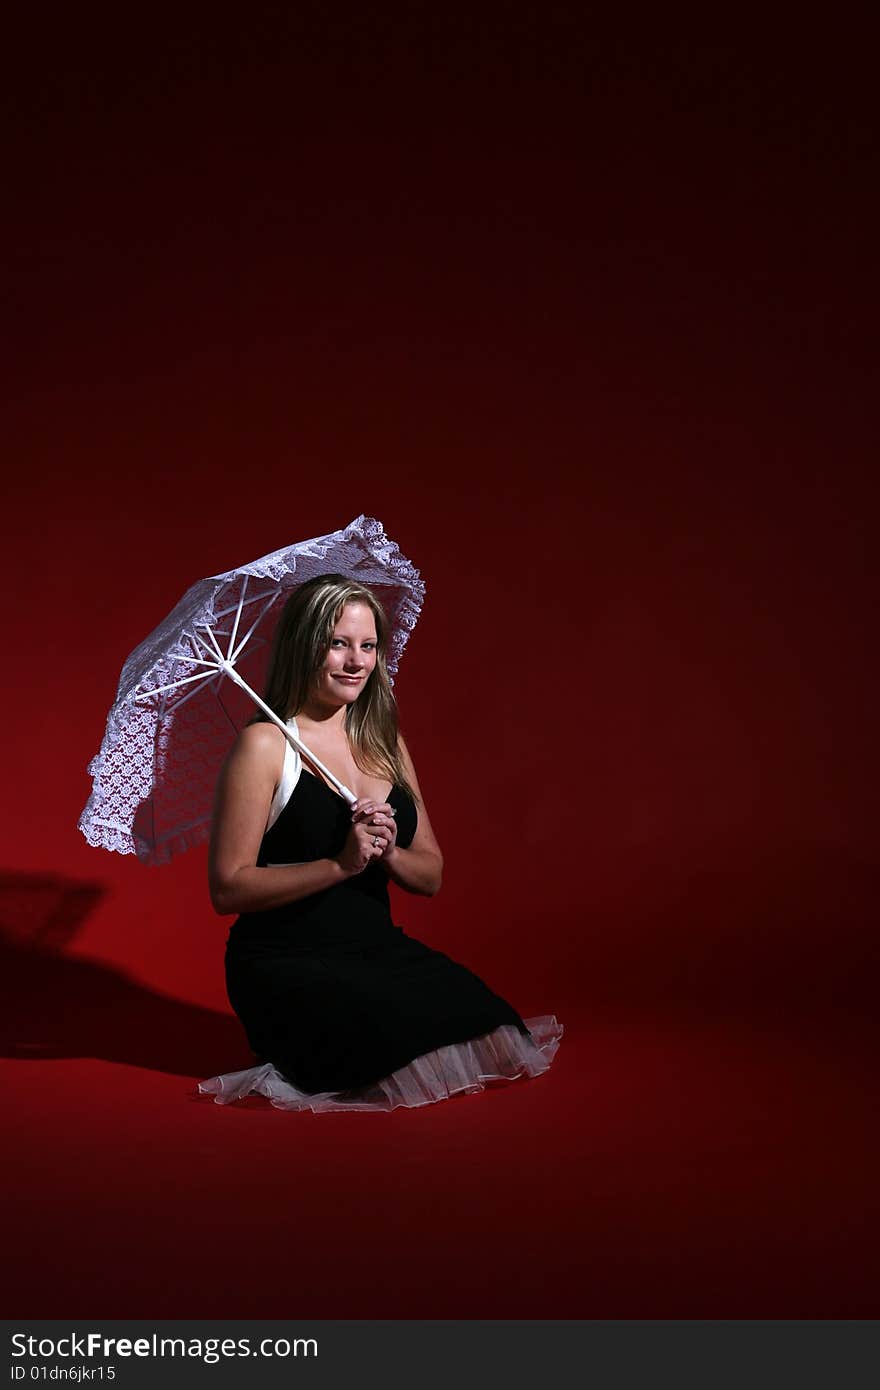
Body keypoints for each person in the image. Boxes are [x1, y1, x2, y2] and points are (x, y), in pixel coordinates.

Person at [198, 573, 562, 1111]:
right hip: (284, 961)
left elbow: (431, 876)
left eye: (367, 645)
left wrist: (388, 851)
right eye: (338, 643)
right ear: (306, 645)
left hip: (377, 950)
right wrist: (341, 864)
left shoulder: (384, 740)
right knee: (396, 1042)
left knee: (486, 1021)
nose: (356, 661)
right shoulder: (265, 744)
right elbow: (227, 889)